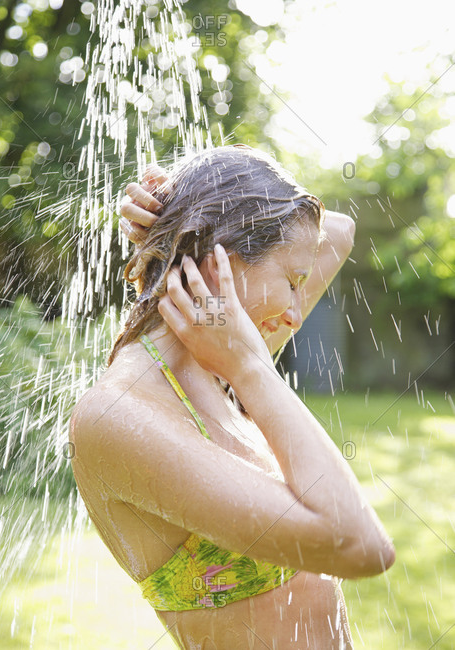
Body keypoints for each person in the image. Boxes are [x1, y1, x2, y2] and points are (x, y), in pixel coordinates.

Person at [69, 145, 395, 650]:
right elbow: (360, 547)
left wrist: (180, 209)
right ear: (223, 260)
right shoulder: (120, 413)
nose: (294, 314)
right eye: (291, 282)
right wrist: (251, 370)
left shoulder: (215, 356)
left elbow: (339, 232)